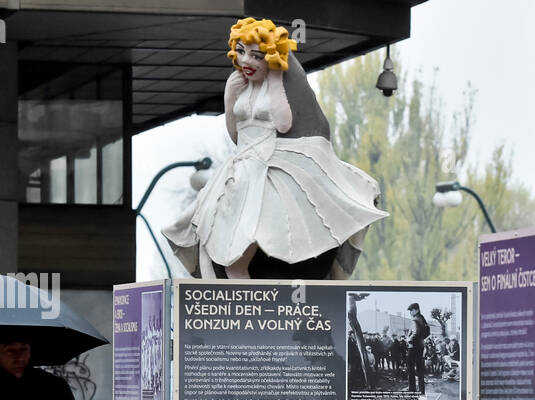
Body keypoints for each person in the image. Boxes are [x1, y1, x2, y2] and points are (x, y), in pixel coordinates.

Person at [163, 17, 386, 279]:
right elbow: (236, 134)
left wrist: (278, 79)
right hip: (240, 162)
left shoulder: (273, 86)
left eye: (256, 56)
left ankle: (247, 274)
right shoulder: (239, 87)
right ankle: (229, 278)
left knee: (250, 224)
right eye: (241, 52)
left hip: (265, 162)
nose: (246, 61)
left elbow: (284, 124)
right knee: (203, 219)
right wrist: (228, 97)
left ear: (270, 58)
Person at [407, 303, 430, 394]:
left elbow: (415, 333)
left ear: (417, 310)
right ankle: (421, 391)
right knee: (420, 371)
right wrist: (421, 339)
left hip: (412, 347)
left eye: (412, 310)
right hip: (420, 347)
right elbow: (427, 332)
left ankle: (412, 390)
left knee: (411, 370)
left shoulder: (415, 320)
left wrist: (409, 340)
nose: (410, 312)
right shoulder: (422, 319)